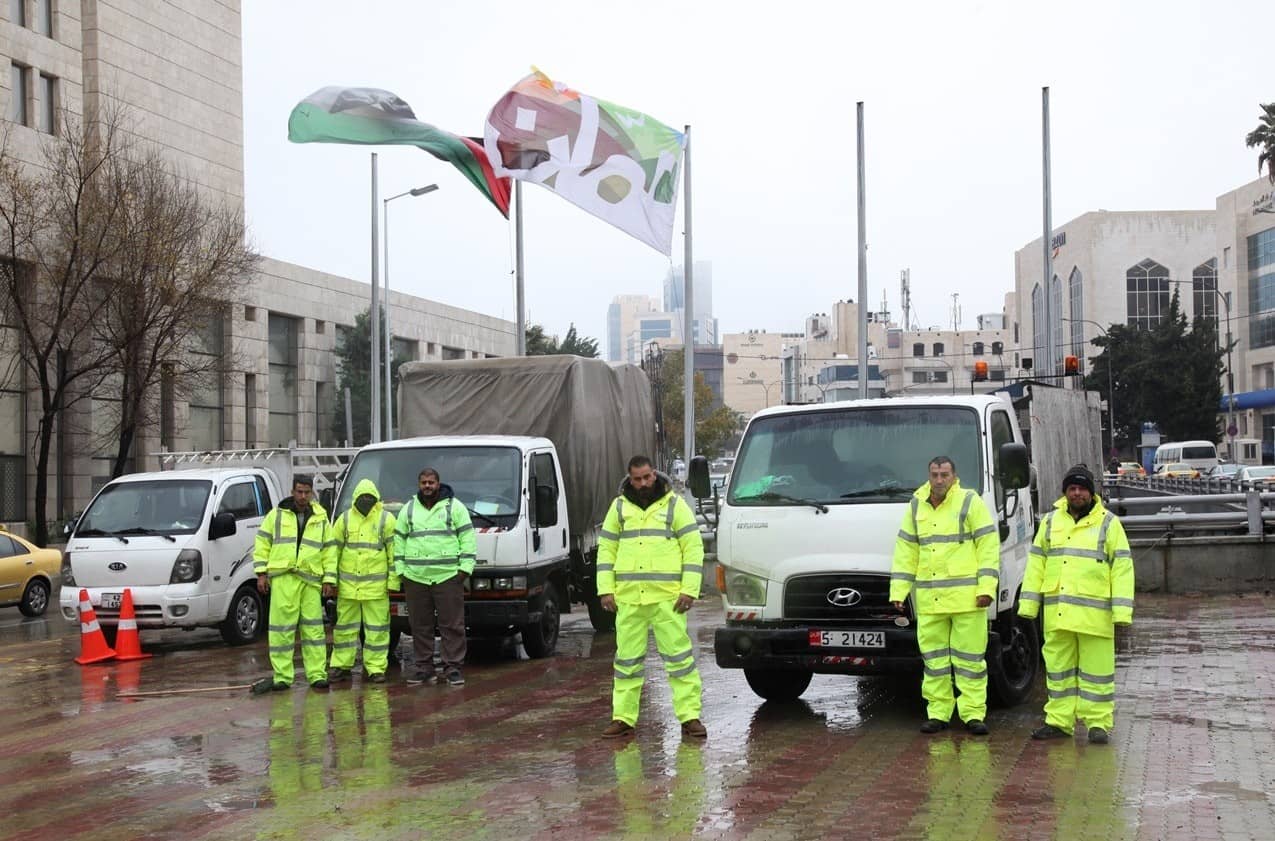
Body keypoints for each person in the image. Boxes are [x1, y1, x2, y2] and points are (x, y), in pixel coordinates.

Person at [1019, 464, 1134, 745]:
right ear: (1065, 492)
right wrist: (1028, 606)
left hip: (1095, 617)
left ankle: (1098, 724)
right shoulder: (1050, 522)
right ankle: (1059, 721)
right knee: (1058, 672)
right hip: (1058, 615)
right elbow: (1036, 566)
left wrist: (1122, 612)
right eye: (1072, 488)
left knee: (1097, 674)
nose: (1077, 493)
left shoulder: (1109, 523)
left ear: (1091, 493)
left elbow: (1122, 568)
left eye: (1082, 488)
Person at [597, 455, 707, 739]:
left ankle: (690, 717)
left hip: (667, 599)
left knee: (680, 660)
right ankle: (623, 718)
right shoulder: (619, 508)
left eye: (647, 477)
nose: (643, 483)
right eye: (637, 479)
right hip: (629, 599)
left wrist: (689, 589)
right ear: (630, 478)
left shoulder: (674, 505)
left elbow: (693, 548)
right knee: (626, 663)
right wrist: (605, 589)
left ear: (654, 474)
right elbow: (606, 549)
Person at [890, 456, 999, 735]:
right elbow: (906, 551)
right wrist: (899, 591)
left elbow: (988, 546)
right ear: (929, 476)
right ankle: (938, 714)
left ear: (954, 476)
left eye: (944, 475)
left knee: (970, 661)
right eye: (935, 475)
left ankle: (973, 714)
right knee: (934, 662)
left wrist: (987, 588)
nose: (939, 480)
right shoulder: (916, 505)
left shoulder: (969, 501)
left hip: (967, 600)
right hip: (930, 600)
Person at [254, 475, 337, 691]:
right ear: (292, 491)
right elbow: (262, 542)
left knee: (313, 631)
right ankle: (282, 676)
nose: (302, 496)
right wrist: (261, 573)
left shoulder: (320, 517)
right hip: (283, 578)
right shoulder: (276, 515)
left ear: (312, 493)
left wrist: (329, 579)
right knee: (281, 630)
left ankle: (317, 675)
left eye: (307, 492)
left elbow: (329, 550)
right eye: (299, 491)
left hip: (309, 580)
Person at [394, 468, 475, 687]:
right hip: (416, 578)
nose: (427, 486)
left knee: (452, 625)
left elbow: (467, 537)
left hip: (448, 577)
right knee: (420, 626)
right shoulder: (409, 509)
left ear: (438, 484)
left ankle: (453, 668)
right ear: (419, 484)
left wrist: (465, 569)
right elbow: (399, 540)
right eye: (424, 482)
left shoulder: (454, 507)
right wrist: (401, 570)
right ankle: (424, 669)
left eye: (431, 482)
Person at [328, 478, 399, 684]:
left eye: (369, 497)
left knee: (377, 631)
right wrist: (331, 580)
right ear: (355, 497)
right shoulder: (344, 519)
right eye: (362, 496)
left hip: (376, 589)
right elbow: (333, 552)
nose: (366, 500)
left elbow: (394, 554)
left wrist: (393, 583)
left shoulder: (386, 520)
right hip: (348, 588)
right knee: (344, 629)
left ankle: (375, 669)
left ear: (376, 498)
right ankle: (341, 666)